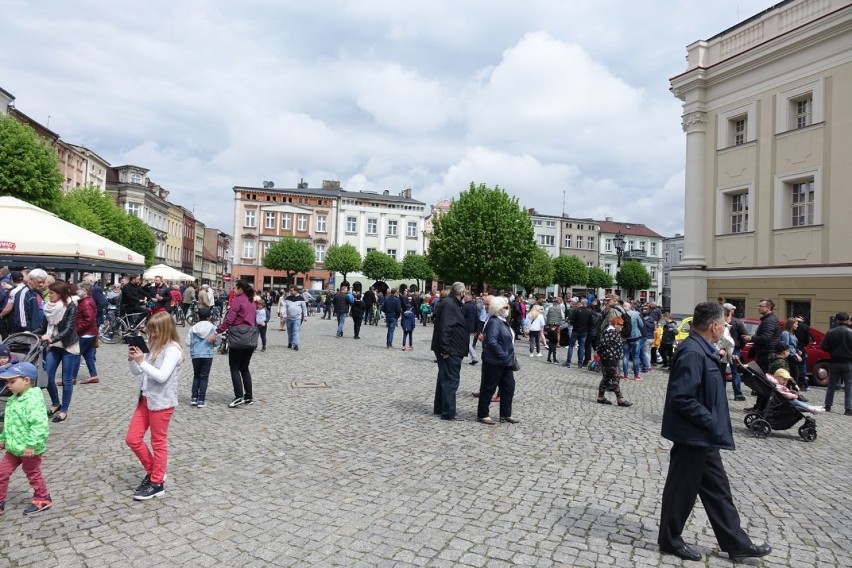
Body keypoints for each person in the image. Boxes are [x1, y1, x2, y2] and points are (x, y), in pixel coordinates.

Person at [658, 302, 771, 563]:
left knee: (718, 490)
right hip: (693, 434)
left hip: (703, 436)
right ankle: (669, 539)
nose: (724, 329)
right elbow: (682, 397)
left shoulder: (702, 349)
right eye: (723, 325)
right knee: (681, 491)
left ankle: (736, 544)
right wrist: (710, 419)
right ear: (714, 325)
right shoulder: (693, 352)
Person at [126, 312, 182, 500]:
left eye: (154, 330)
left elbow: (161, 376)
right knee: (132, 439)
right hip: (145, 398)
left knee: (158, 442)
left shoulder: (173, 350)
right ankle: (154, 472)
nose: (150, 333)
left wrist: (142, 361)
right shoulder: (154, 345)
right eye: (149, 330)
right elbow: (137, 373)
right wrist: (133, 360)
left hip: (162, 401)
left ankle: (157, 483)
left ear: (164, 330)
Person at [0, 362, 52, 515]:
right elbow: (8, 423)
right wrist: (3, 438)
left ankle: (43, 498)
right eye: (7, 382)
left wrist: (31, 445)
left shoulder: (33, 401)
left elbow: (39, 426)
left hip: (29, 449)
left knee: (32, 472)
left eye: (12, 381)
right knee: (2, 473)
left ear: (26, 380)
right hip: (14, 447)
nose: (8, 385)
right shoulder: (13, 400)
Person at [38, 282, 80, 423]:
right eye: (48, 293)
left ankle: (64, 410)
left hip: (68, 344)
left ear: (60, 295)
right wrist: (29, 333)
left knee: (66, 379)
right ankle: (56, 403)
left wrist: (52, 338)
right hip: (54, 345)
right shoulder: (48, 308)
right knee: (48, 376)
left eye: (51, 293)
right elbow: (42, 327)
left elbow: (68, 328)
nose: (48, 295)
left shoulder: (70, 306)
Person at [476, 296, 519, 425]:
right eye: (505, 307)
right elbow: (492, 342)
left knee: (508, 387)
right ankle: (483, 414)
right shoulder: (494, 322)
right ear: (498, 309)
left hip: (505, 362)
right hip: (495, 361)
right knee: (488, 387)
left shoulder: (503, 321)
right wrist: (503, 355)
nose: (507, 309)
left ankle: (506, 413)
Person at [214, 280, 257, 407]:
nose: (233, 290)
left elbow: (230, 319)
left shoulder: (237, 300)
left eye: (235, 288)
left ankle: (239, 396)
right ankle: (248, 396)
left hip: (239, 335)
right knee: (245, 368)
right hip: (251, 336)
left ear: (240, 289)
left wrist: (217, 330)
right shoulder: (251, 300)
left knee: (234, 367)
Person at [431, 282, 468, 421]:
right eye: (465, 291)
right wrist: (445, 349)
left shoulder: (452, 303)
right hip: (451, 349)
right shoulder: (450, 304)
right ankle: (448, 412)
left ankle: (440, 408)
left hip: (452, 348)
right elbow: (445, 328)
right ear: (461, 292)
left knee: (444, 378)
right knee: (450, 380)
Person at [819, 312, 852, 415]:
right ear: (847, 321)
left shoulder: (830, 332)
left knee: (831, 384)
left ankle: (828, 405)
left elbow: (823, 346)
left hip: (834, 360)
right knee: (849, 385)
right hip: (848, 362)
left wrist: (832, 349)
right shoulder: (850, 332)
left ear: (837, 320)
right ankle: (848, 408)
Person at [596, 317, 632, 407]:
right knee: (615, 378)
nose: (622, 327)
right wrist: (604, 355)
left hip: (611, 359)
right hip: (609, 359)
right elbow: (602, 344)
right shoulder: (610, 332)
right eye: (620, 325)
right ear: (615, 325)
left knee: (606, 378)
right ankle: (620, 399)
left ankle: (601, 397)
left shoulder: (613, 332)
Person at [186, 307, 216, 408]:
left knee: (196, 376)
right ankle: (201, 400)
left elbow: (187, 343)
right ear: (209, 317)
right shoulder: (213, 328)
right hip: (207, 355)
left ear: (198, 316)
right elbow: (216, 342)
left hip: (196, 355)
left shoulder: (193, 328)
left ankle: (194, 397)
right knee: (204, 377)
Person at [74, 282, 100, 385]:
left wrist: (77, 329)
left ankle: (71, 377)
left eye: (79, 289)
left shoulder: (86, 302)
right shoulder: (87, 301)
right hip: (90, 333)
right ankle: (94, 375)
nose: (77, 291)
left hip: (85, 333)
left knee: (76, 355)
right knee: (88, 355)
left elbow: (88, 319)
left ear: (84, 290)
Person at [751, 298, 781, 372]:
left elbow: (766, 338)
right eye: (758, 306)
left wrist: (751, 338)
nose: (758, 308)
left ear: (768, 307)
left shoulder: (769, 320)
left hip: (767, 353)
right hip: (766, 352)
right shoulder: (767, 319)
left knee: (765, 378)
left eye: (761, 306)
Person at [565, 299, 592, 368]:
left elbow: (571, 321)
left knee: (571, 346)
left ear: (579, 304)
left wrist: (571, 322)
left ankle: (568, 362)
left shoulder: (576, 311)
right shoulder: (589, 312)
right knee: (582, 346)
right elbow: (591, 323)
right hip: (584, 331)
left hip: (576, 330)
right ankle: (580, 363)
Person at [462, 292, 480, 364]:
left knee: (466, 342)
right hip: (471, 327)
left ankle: (474, 357)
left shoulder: (465, 306)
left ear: (467, 298)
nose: (464, 299)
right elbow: (476, 318)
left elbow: (461, 317)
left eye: (465, 298)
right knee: (466, 342)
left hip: (465, 327)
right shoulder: (474, 306)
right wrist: (476, 329)